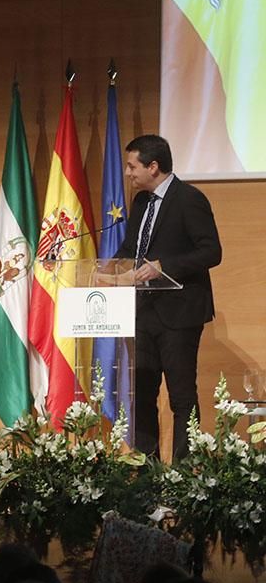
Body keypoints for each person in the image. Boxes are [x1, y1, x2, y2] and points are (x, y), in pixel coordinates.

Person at [113, 135, 222, 459]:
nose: (129, 173)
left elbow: (211, 251)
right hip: (143, 312)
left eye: (133, 166)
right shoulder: (141, 203)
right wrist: (107, 272)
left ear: (153, 166)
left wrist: (165, 267)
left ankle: (185, 479)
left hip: (180, 315)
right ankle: (146, 476)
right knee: (143, 395)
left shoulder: (189, 199)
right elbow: (131, 250)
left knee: (181, 397)